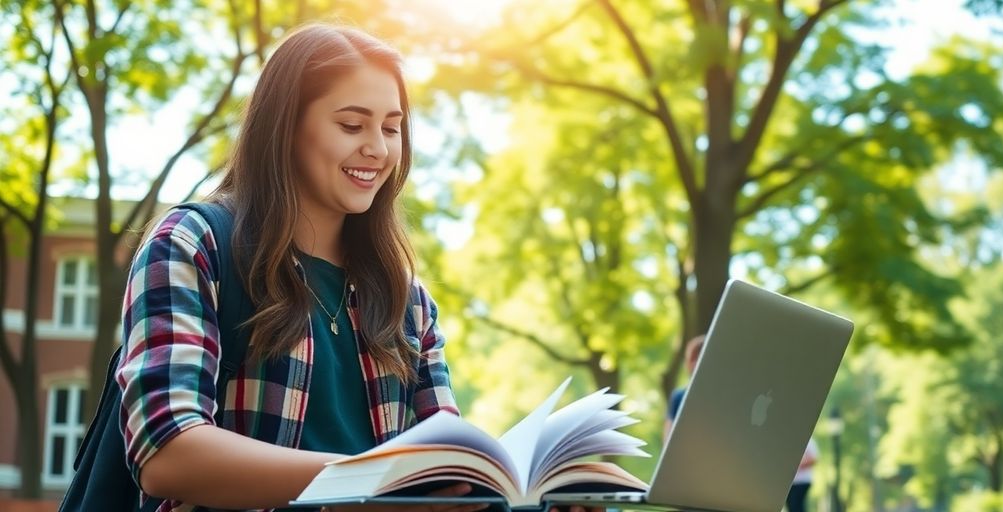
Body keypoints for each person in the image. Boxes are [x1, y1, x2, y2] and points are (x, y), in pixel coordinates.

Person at [118, 23, 597, 512]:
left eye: (391, 128)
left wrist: (532, 499)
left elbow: (444, 482)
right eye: (352, 125)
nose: (379, 148)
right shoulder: (192, 245)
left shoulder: (407, 302)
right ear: (286, 126)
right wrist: (371, 479)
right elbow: (167, 451)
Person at [663, 335, 705, 442]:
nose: (696, 364)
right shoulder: (679, 396)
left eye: (700, 358)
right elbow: (668, 437)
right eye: (693, 359)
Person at [785, 439, 818, 512]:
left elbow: (813, 458)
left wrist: (797, 465)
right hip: (790, 483)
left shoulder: (809, 441)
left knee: (795, 506)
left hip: (802, 481)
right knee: (792, 506)